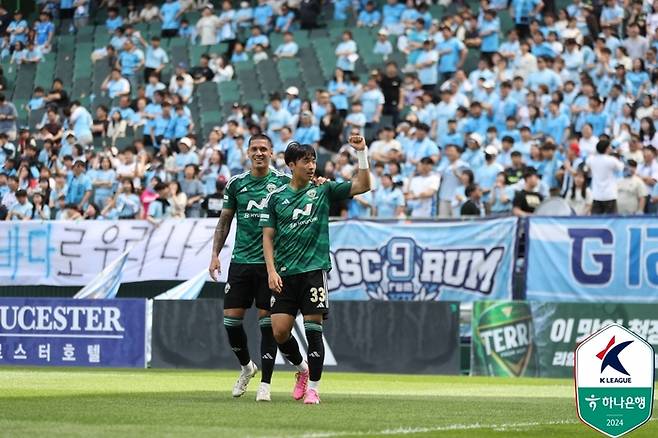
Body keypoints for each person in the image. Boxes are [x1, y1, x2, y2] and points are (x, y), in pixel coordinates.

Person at [260, 137, 371, 405]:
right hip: (284, 274)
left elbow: (363, 185)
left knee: (313, 331)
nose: (312, 166)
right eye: (305, 161)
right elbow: (267, 237)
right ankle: (302, 370)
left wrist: (362, 153)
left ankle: (314, 388)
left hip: (313, 271)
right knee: (279, 332)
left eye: (313, 160)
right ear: (290, 165)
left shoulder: (323, 190)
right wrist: (271, 271)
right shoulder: (276, 198)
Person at [208, 134, 291, 402]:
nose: (259, 153)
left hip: (270, 266)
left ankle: (265, 384)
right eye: (254, 149)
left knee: (267, 324)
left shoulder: (282, 183)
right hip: (240, 263)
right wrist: (215, 255)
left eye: (263, 149)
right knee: (231, 322)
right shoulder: (236, 184)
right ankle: (246, 367)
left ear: (271, 152)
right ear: (247, 153)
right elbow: (224, 222)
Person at [586, 139, 624, 214]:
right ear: (606, 148)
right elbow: (621, 167)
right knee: (612, 220)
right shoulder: (612, 160)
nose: (611, 148)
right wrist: (619, 154)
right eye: (609, 147)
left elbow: (588, 162)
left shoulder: (591, 159)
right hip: (610, 195)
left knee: (596, 220)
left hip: (597, 195)